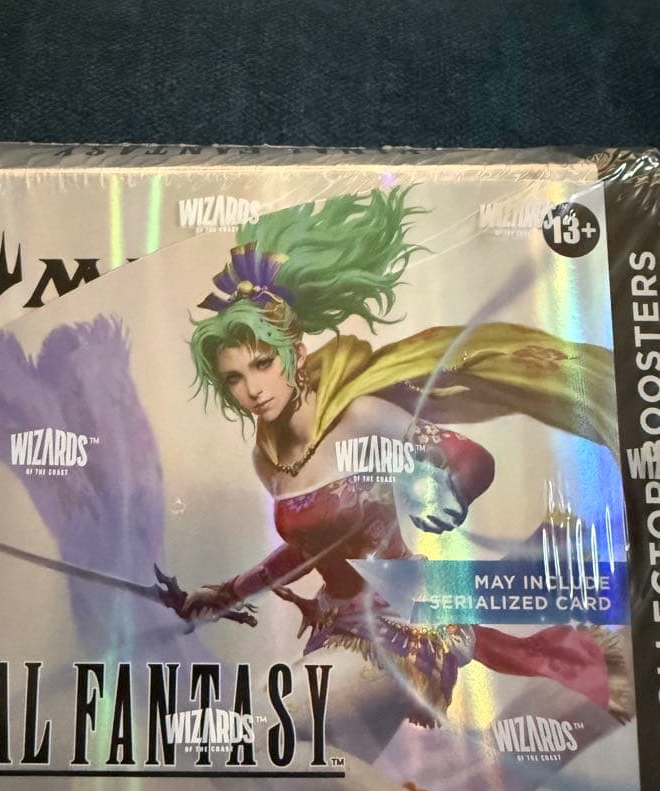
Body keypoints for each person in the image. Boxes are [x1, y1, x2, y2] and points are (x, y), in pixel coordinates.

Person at [182, 188, 632, 735]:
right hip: (336, 628)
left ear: (294, 355)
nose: (252, 389)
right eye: (234, 378)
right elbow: (307, 549)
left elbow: (470, 459)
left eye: (261, 365)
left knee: (255, 731)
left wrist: (447, 491)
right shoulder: (267, 456)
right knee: (318, 774)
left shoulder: (360, 416)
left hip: (401, 626)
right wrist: (226, 593)